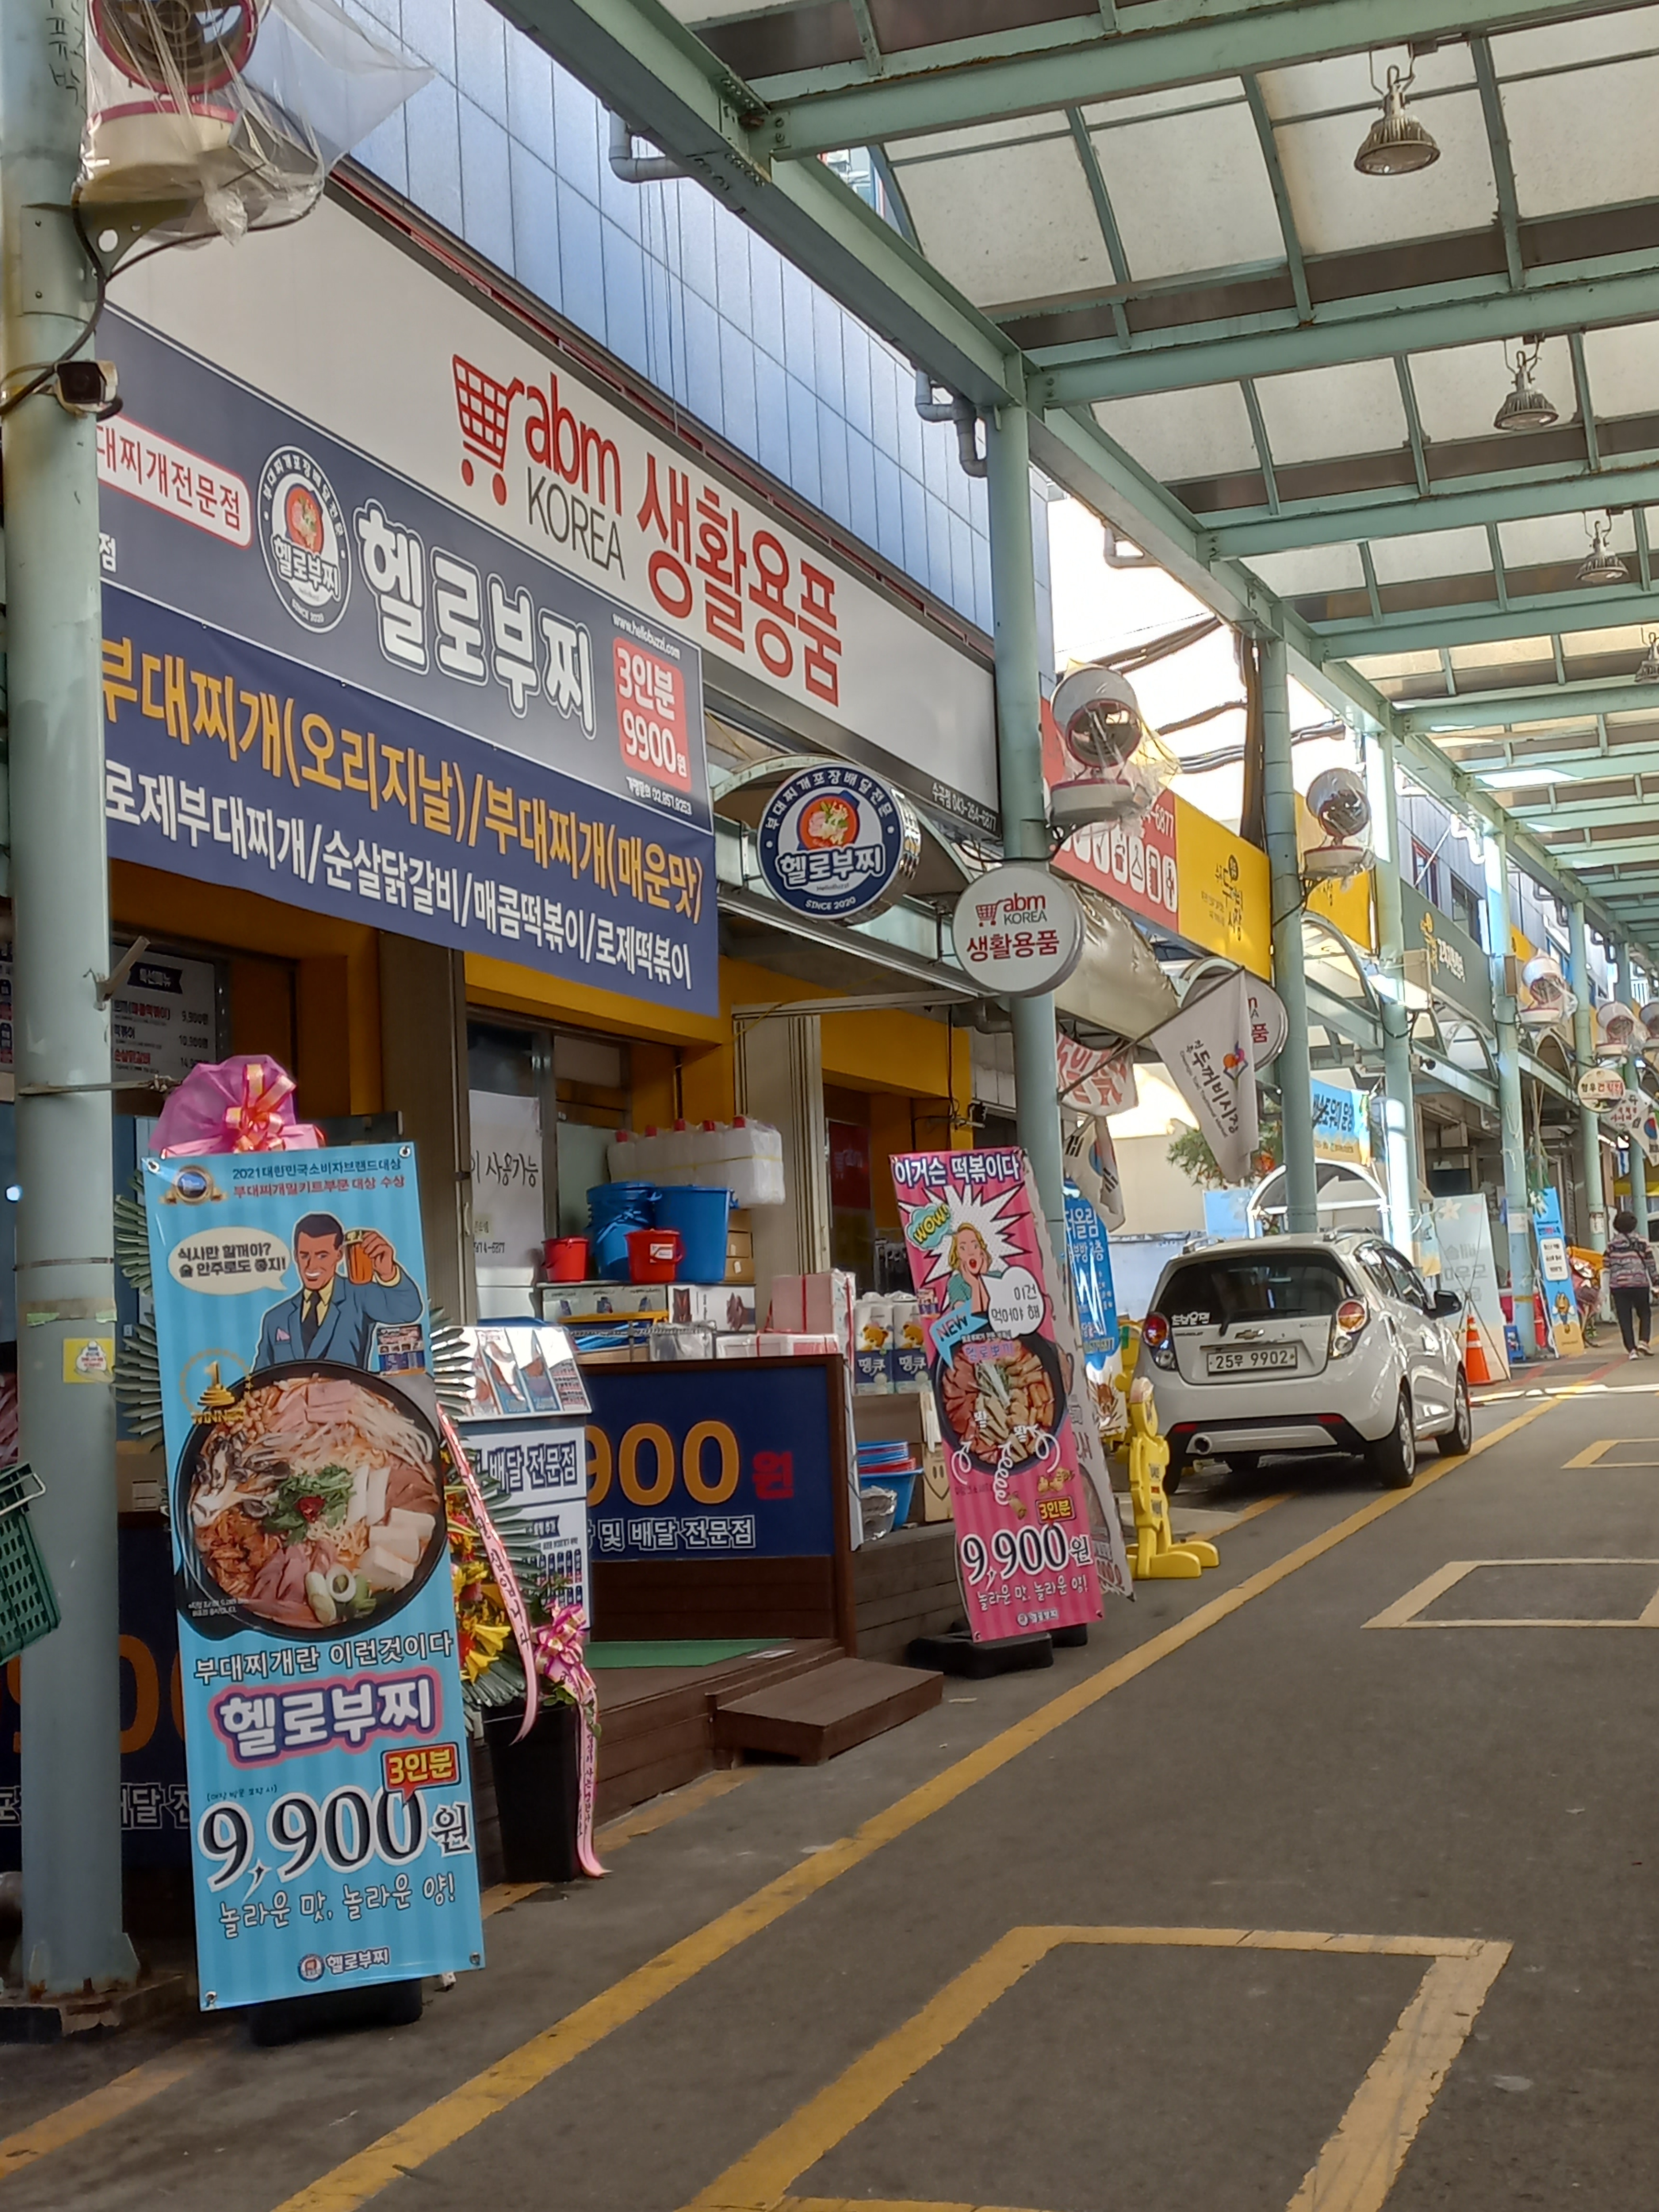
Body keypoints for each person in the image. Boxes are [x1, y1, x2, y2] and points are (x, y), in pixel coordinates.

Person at [255, 1212, 422, 1371]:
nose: (311, 1266)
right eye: (305, 1256)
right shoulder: (276, 1318)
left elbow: (409, 1311)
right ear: (296, 1256)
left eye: (322, 1256)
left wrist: (389, 1273)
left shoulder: (359, 1296)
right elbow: (258, 1379)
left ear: (339, 1255)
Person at [1603, 1208, 1657, 1361]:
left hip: (1619, 1286)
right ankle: (1644, 1342)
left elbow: (1606, 1263)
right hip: (1640, 1283)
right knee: (1644, 1313)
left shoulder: (1611, 1245)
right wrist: (1656, 1281)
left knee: (1624, 1317)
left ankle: (1632, 1350)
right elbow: (1651, 1264)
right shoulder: (1642, 1243)